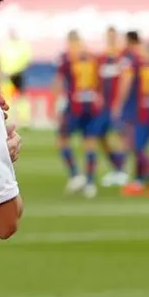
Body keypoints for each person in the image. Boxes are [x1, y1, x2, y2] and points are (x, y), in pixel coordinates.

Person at [114, 32, 149, 197]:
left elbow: (126, 82)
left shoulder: (132, 61)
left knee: (134, 146)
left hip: (134, 109)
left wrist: (118, 103)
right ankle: (138, 181)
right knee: (140, 146)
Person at [52, 30, 102, 198]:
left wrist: (55, 103)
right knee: (90, 143)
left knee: (62, 140)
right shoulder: (92, 58)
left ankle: (75, 175)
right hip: (91, 105)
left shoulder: (67, 58)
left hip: (75, 106)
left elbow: (59, 81)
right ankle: (89, 183)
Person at [94, 27, 129, 186]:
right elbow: (97, 81)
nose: (111, 40)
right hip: (104, 106)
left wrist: (120, 103)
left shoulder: (122, 58)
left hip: (118, 105)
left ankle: (122, 171)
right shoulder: (101, 59)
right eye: (109, 37)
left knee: (121, 135)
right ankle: (117, 166)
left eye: (114, 37)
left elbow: (126, 81)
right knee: (100, 135)